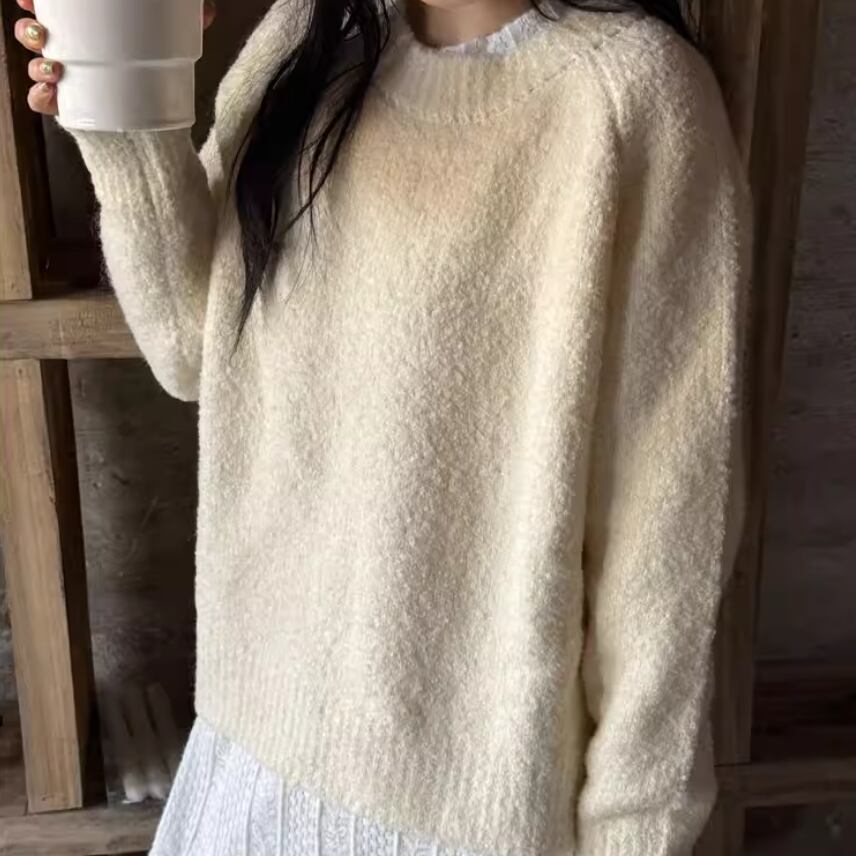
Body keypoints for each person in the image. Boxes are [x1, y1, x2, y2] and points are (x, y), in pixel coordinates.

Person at [16, 0, 751, 853]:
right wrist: (120, 121)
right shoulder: (309, 36)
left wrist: (635, 838)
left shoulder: (633, 97)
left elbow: (667, 539)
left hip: (461, 810)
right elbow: (191, 348)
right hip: (253, 744)